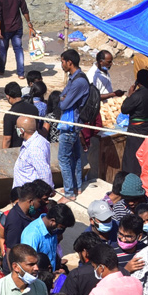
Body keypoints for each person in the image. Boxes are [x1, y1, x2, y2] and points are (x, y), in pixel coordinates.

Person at [56, 49, 90, 201]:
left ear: (69, 62)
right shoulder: (74, 78)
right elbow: (61, 95)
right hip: (74, 123)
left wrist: (63, 99)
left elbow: (63, 104)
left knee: (63, 158)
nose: (62, 64)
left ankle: (69, 193)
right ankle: (76, 186)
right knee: (75, 156)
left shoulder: (79, 82)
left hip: (71, 124)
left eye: (63, 61)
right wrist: (63, 98)